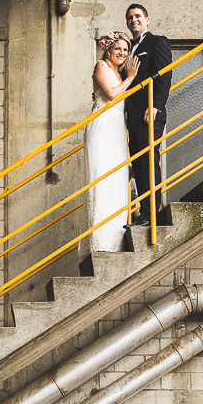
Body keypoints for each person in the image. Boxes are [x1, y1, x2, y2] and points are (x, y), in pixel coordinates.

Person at [85, 31, 141, 252]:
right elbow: (111, 94)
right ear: (108, 49)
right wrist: (131, 78)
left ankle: (115, 243)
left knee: (118, 180)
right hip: (102, 125)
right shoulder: (101, 66)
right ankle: (100, 244)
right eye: (118, 48)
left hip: (118, 127)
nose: (122, 53)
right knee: (102, 179)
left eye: (126, 50)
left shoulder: (121, 73)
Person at [120, 3, 172, 226]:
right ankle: (144, 213)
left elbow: (163, 75)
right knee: (139, 164)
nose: (134, 20)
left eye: (138, 16)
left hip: (149, 112)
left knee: (149, 162)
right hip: (132, 118)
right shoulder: (128, 48)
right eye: (130, 17)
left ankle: (152, 215)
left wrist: (155, 105)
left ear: (147, 19)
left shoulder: (156, 41)